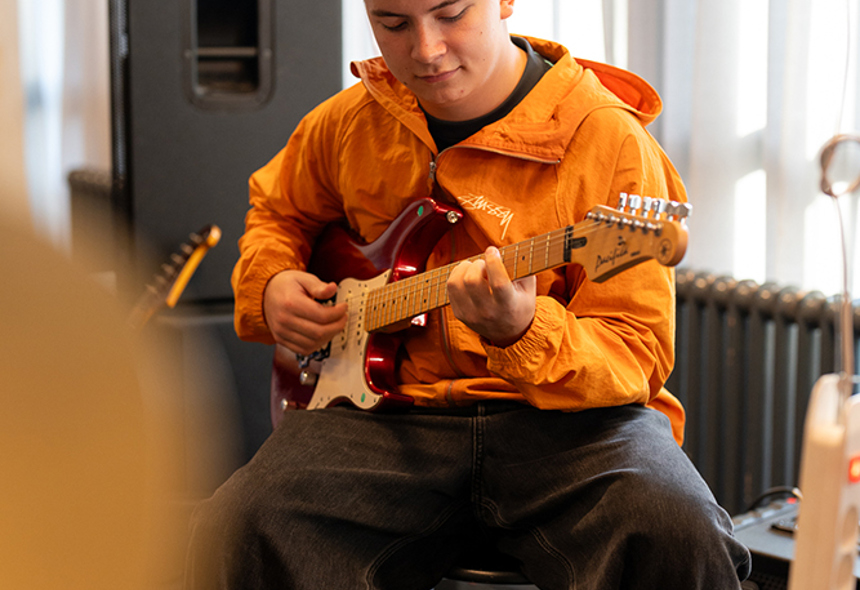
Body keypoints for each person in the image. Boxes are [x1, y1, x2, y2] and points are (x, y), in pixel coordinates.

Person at [184, 0, 752, 588]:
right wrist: (272, 281)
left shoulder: (609, 139)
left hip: (575, 426)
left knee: (672, 528)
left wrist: (524, 333)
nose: (426, 50)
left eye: (451, 13)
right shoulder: (350, 120)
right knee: (236, 525)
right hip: (384, 416)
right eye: (393, 24)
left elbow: (635, 351)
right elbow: (278, 212)